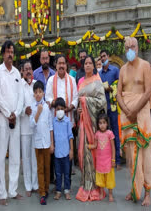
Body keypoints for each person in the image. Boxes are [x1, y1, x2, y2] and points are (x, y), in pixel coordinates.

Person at [116, 37, 151, 206]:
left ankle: (147, 192)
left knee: (145, 154)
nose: (130, 49)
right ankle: (133, 189)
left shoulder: (145, 65)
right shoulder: (122, 69)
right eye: (127, 47)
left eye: (133, 46)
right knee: (130, 156)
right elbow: (118, 94)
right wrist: (126, 111)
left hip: (141, 115)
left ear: (137, 48)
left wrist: (135, 111)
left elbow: (147, 92)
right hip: (127, 116)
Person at [0, 40, 24, 205]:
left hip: (16, 118)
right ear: (3, 54)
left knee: (15, 154)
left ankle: (12, 190)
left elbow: (20, 96)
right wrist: (7, 113)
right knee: (1, 155)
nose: (10, 54)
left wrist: (16, 113)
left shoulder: (17, 73)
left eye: (12, 51)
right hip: (3, 118)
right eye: (7, 51)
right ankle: (2, 193)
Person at [75, 55, 107, 202]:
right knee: (82, 151)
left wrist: (85, 102)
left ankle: (94, 185)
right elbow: (77, 102)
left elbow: (102, 102)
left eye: (90, 63)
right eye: (85, 63)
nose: (87, 65)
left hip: (93, 124)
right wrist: (79, 109)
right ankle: (85, 184)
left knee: (92, 152)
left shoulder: (97, 81)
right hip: (83, 123)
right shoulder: (80, 82)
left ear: (94, 66)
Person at [46, 54, 78, 186]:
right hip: (54, 121)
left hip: (68, 121)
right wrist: (57, 105)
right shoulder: (50, 81)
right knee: (54, 152)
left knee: (68, 152)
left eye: (63, 63)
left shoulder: (71, 80)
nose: (61, 65)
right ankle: (56, 182)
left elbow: (75, 98)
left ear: (66, 65)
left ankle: (67, 182)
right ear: (55, 65)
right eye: (59, 63)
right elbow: (47, 97)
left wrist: (68, 108)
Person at [30, 80, 53, 205]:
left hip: (47, 143)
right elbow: (31, 125)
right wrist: (37, 113)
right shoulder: (33, 108)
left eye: (40, 92)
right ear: (34, 94)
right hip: (38, 143)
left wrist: (52, 143)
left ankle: (47, 188)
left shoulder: (47, 108)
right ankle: (42, 193)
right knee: (40, 168)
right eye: (36, 92)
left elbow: (50, 126)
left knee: (47, 167)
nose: (38, 94)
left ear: (43, 93)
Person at [98, 49, 121, 170]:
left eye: (104, 56)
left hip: (113, 107)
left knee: (115, 133)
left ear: (108, 57)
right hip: (103, 108)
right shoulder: (99, 74)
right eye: (101, 57)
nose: (102, 58)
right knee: (105, 134)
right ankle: (107, 160)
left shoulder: (115, 70)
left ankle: (117, 160)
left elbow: (119, 85)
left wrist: (112, 88)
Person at [20, 60, 39, 197]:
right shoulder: (19, 86)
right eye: (26, 69)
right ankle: (27, 185)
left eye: (30, 69)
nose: (28, 71)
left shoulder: (36, 85)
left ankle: (35, 184)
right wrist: (22, 111)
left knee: (34, 157)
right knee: (26, 158)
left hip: (36, 128)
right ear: (22, 71)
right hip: (24, 128)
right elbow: (16, 104)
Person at [88, 114, 116, 202]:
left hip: (108, 161)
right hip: (100, 161)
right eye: (100, 123)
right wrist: (88, 146)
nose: (102, 125)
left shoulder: (110, 133)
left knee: (109, 178)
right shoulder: (97, 134)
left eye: (104, 123)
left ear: (107, 124)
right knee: (100, 178)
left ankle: (110, 194)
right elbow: (95, 146)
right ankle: (101, 192)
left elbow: (113, 148)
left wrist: (113, 159)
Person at [52, 97, 74, 201]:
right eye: (57, 109)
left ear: (65, 109)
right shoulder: (54, 121)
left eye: (61, 108)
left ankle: (67, 190)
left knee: (66, 173)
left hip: (66, 153)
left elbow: (70, 136)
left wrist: (71, 150)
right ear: (55, 110)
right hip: (57, 153)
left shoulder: (67, 121)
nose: (59, 111)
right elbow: (52, 135)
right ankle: (58, 191)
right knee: (58, 173)